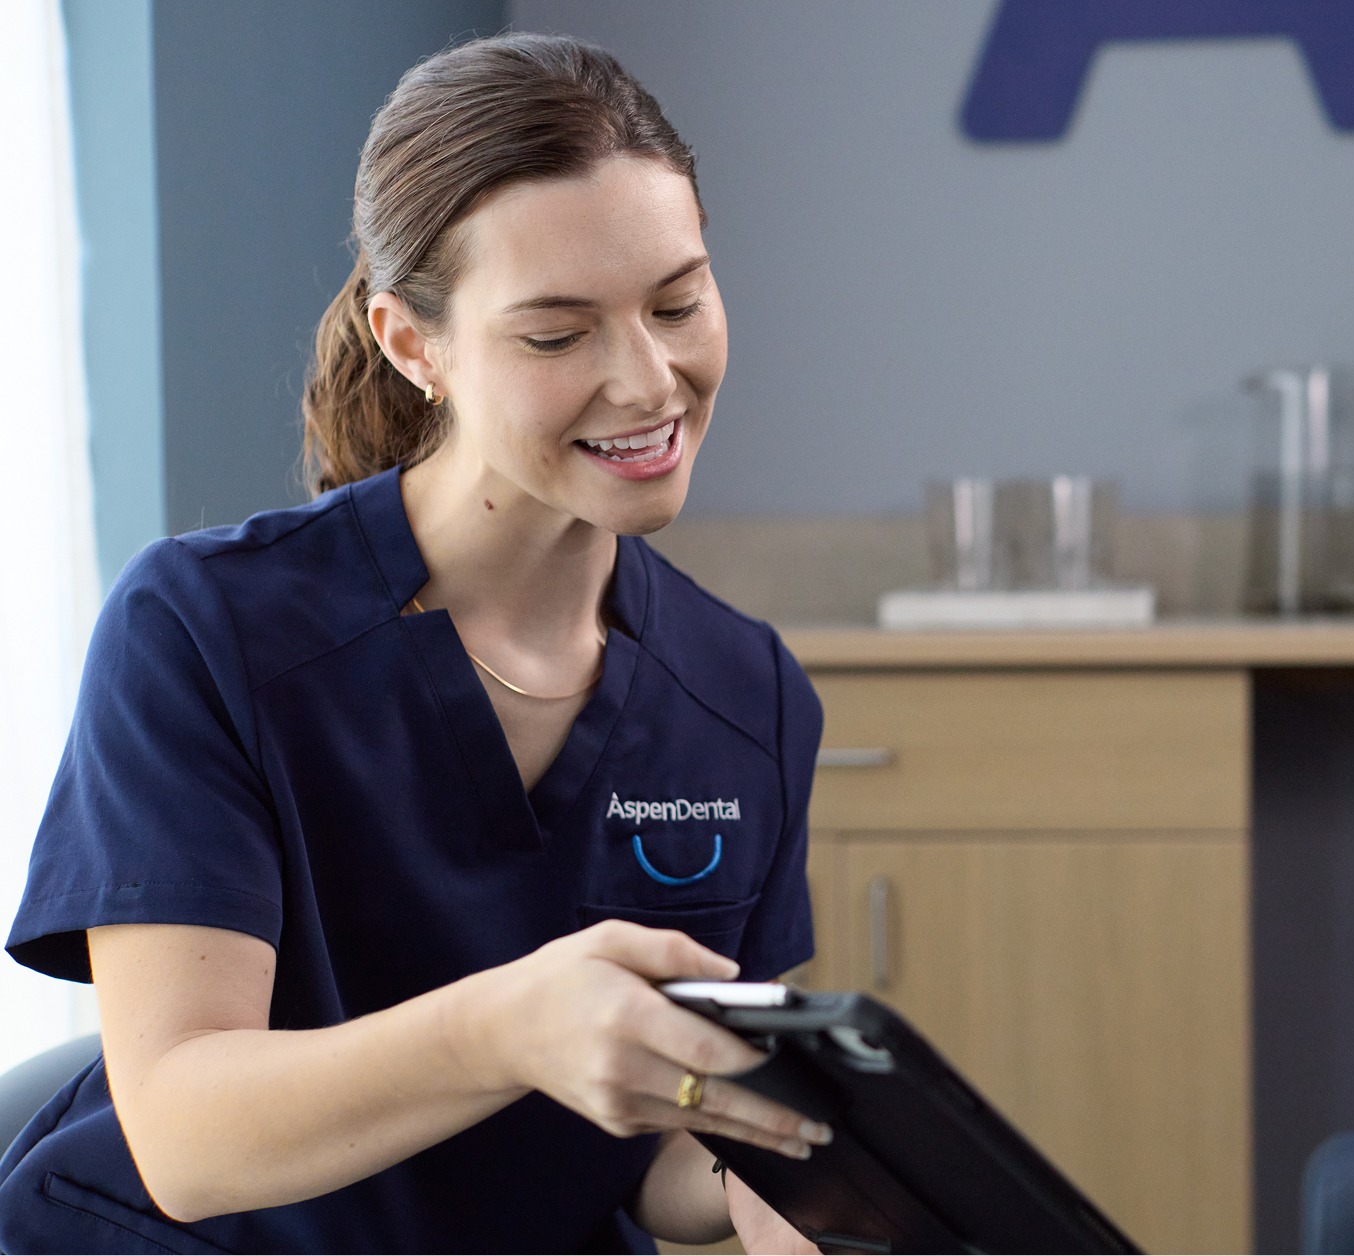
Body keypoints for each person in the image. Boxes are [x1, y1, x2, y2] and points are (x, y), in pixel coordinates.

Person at [2, 33, 833, 1255]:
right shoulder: (202, 630)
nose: (650, 379)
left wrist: (782, 1169)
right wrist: (510, 1026)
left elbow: (662, 1147)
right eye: (556, 335)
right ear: (411, 344)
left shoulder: (743, 692)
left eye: (676, 302)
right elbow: (184, 1138)